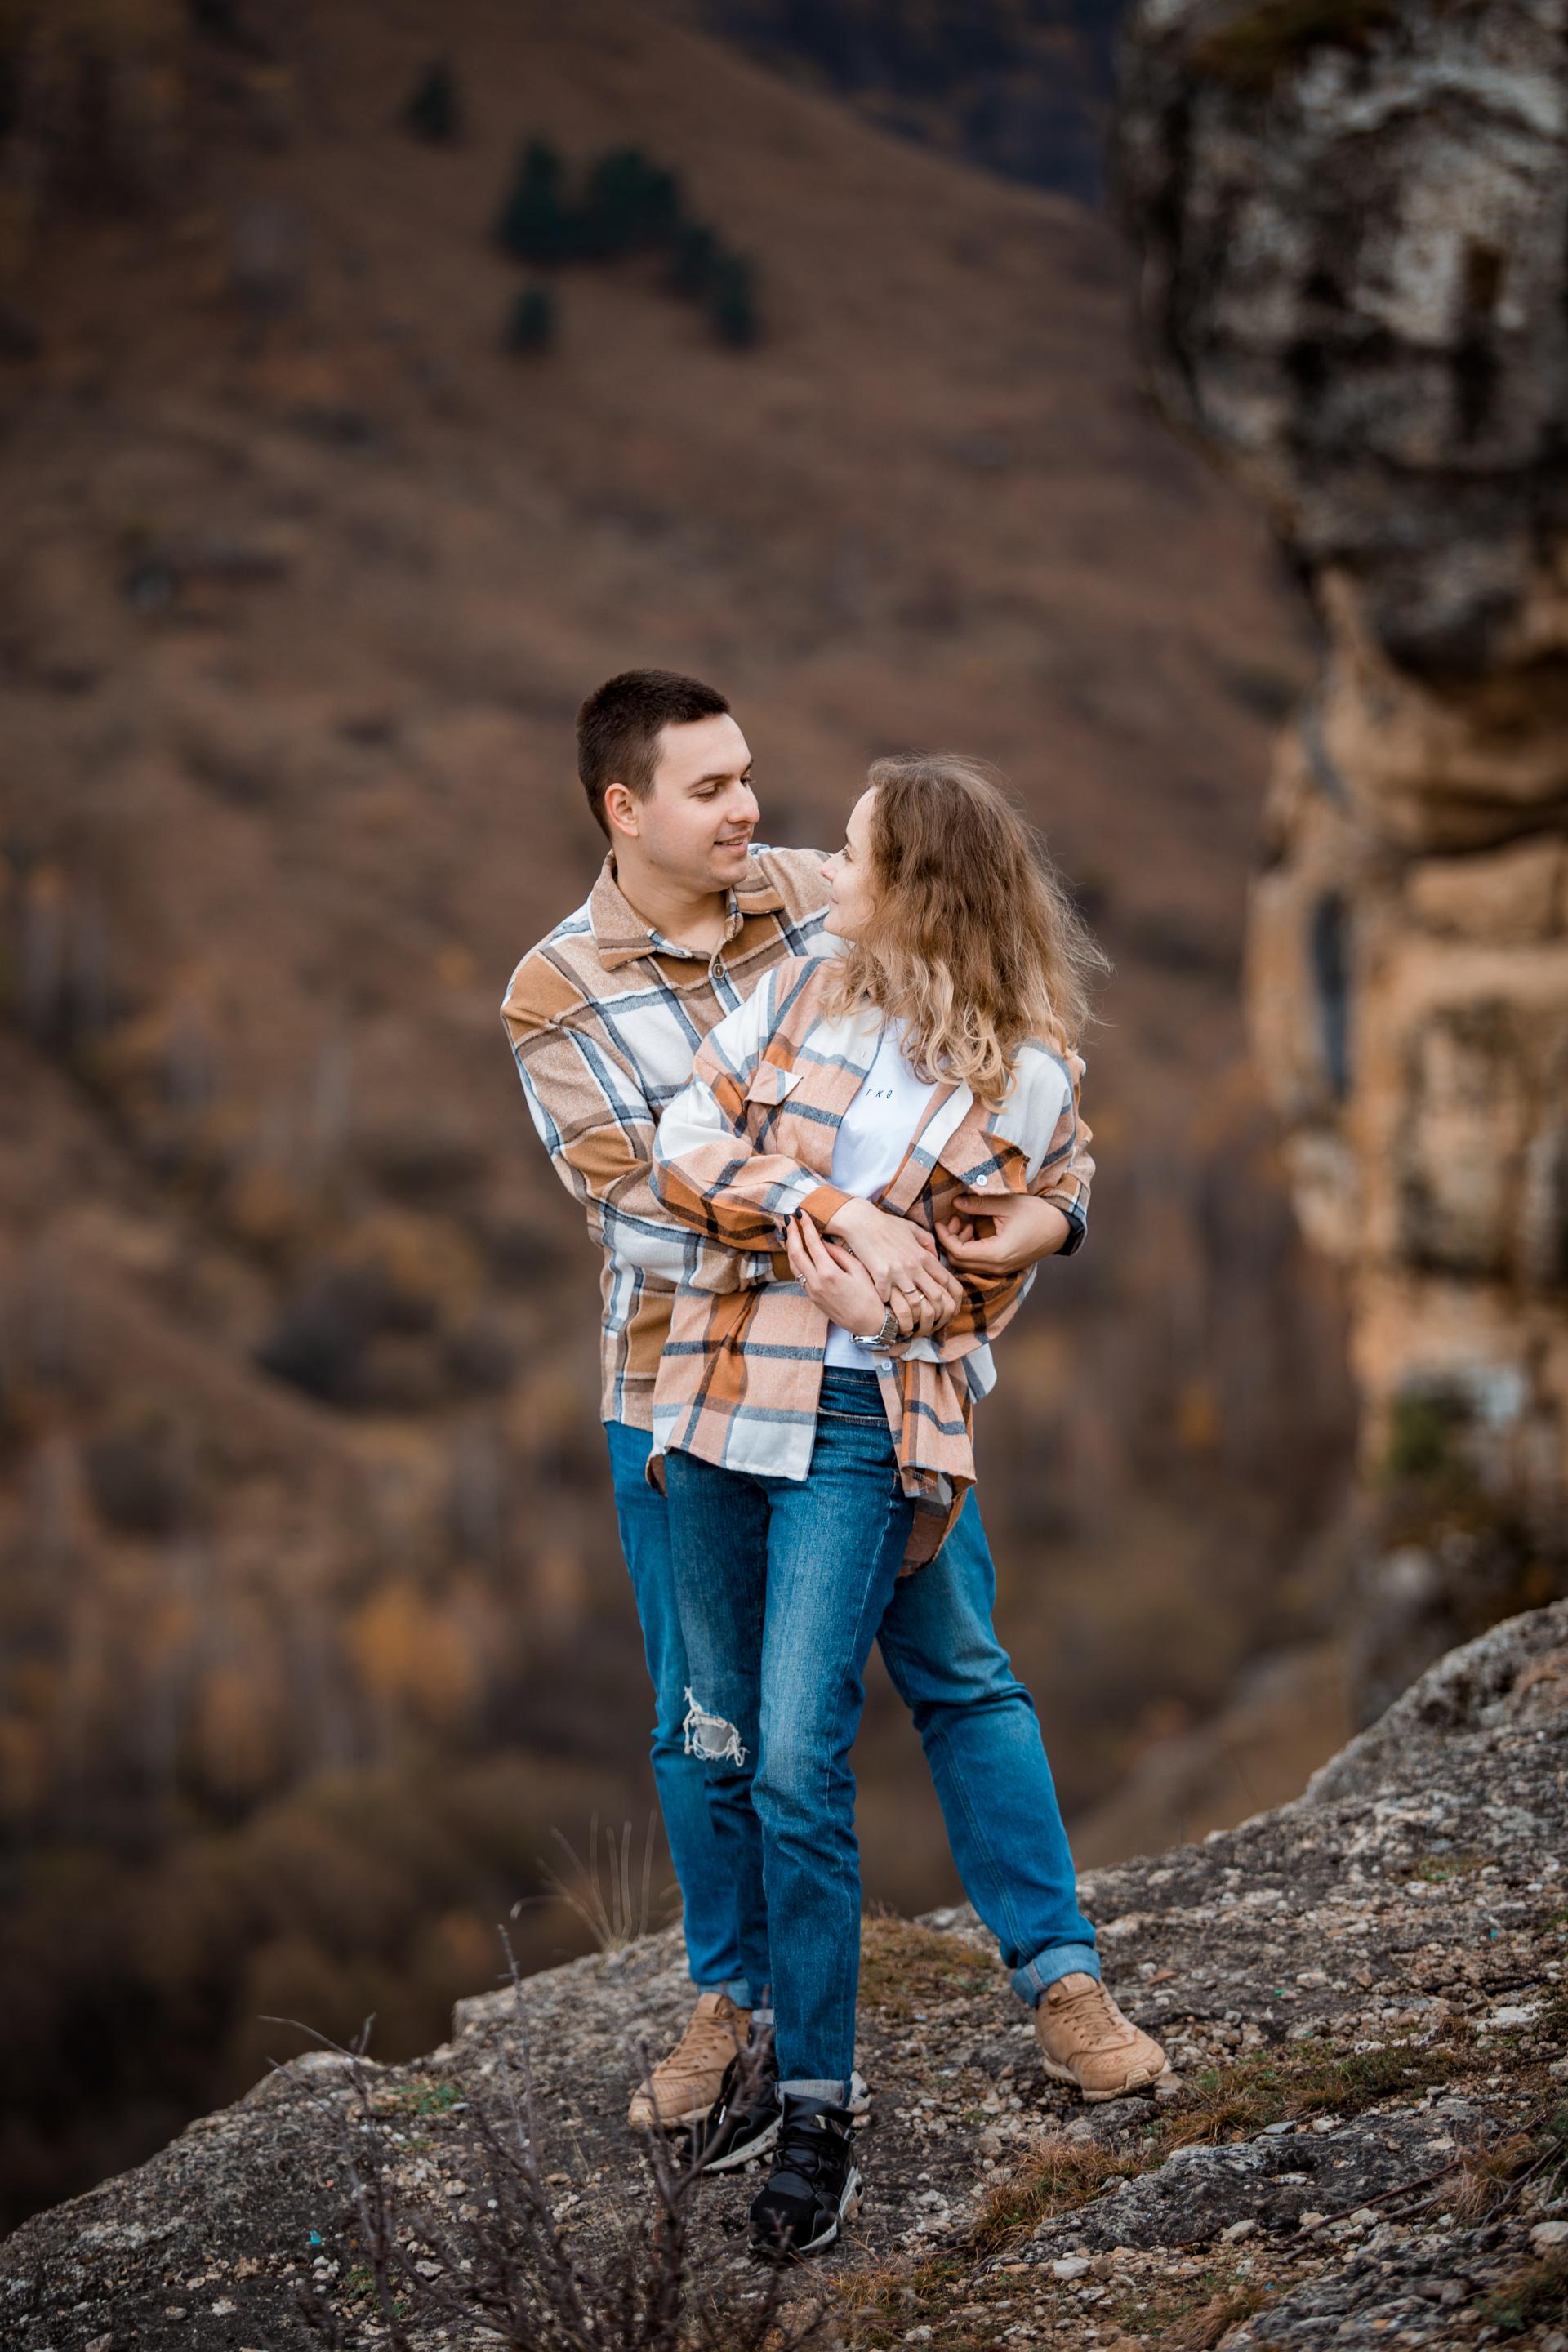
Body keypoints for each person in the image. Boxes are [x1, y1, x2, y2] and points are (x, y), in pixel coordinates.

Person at [499, 672, 1163, 2155]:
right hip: (678, 1378)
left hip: (880, 1391)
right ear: (627, 809)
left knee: (962, 1673)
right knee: (705, 1715)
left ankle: (1061, 1978)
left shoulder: (824, 897)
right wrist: (853, 1228)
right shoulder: (560, 988)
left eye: (750, 778)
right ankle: (734, 1995)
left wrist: (1049, 1226)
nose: (752, 811)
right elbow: (638, 1213)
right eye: (711, 788)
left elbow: (1026, 1116)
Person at [648, 753, 1165, 2258]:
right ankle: (747, 2019)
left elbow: (970, 1286)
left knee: (818, 1749)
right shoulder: (808, 984)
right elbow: (686, 1147)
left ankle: (830, 2096)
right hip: (716, 1396)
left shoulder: (1025, 1072)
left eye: (859, 847)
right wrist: (829, 1210)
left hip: (874, 1425)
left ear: (919, 887)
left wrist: (1012, 1238)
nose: (828, 860)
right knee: (730, 1726)